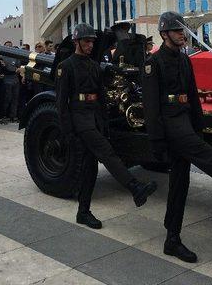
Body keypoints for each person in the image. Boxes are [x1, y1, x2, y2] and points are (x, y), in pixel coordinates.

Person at [142, 11, 212, 263]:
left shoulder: (184, 60)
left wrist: (198, 126)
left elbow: (192, 96)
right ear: (165, 34)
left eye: (184, 31)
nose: (183, 34)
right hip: (170, 125)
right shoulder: (152, 63)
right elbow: (151, 106)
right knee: (211, 160)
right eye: (178, 31)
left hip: (185, 121)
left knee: (180, 183)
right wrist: (156, 140)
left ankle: (172, 238)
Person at [56, 23, 157, 230]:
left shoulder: (94, 66)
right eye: (86, 41)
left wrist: (104, 124)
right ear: (76, 42)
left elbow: (101, 98)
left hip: (93, 118)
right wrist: (68, 132)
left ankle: (83, 212)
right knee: (107, 153)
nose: (90, 45)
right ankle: (135, 187)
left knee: (90, 168)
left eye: (92, 41)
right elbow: (61, 104)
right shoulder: (66, 66)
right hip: (79, 119)